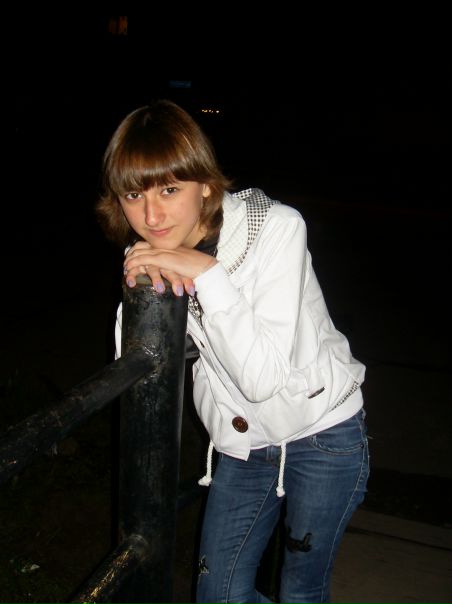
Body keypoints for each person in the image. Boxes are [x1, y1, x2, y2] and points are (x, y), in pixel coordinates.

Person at [96, 99, 369, 604]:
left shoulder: (277, 228)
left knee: (301, 592)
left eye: (169, 189)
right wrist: (138, 288)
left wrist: (207, 273)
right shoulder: (155, 248)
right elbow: (134, 372)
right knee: (218, 595)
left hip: (322, 435)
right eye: (134, 195)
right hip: (242, 448)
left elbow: (263, 379)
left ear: (205, 183)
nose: (151, 215)